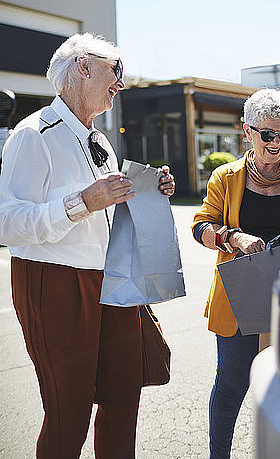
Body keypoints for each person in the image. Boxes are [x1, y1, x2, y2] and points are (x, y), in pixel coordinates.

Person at [0, 33, 175, 459]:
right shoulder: (33, 134)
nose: (120, 82)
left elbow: (109, 213)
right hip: (54, 284)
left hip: (112, 281)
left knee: (122, 399)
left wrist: (150, 191)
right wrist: (83, 202)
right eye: (114, 71)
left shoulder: (100, 141)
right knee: (69, 412)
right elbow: (6, 223)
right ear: (82, 67)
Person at [192, 88, 280, 459]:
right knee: (232, 385)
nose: (276, 142)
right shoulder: (225, 177)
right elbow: (201, 226)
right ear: (247, 131)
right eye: (267, 134)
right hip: (239, 298)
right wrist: (233, 237)